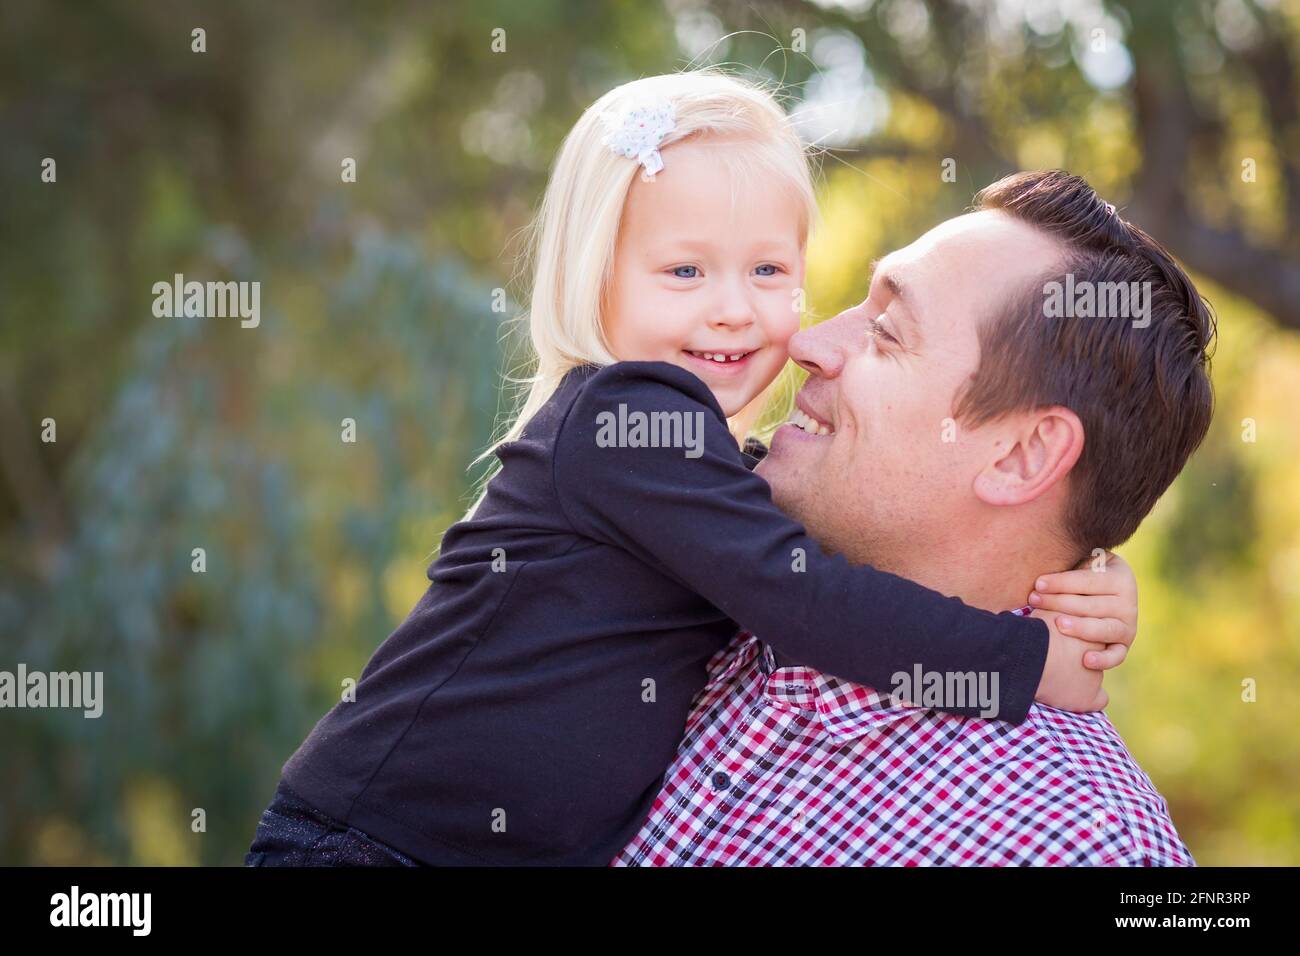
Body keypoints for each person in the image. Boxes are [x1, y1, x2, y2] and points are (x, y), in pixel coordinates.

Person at [246, 73, 1134, 868]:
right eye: (683, 270)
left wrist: (1080, 568)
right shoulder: (624, 416)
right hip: (373, 846)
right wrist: (1028, 661)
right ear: (598, 282)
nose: (735, 310)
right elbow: (808, 597)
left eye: (768, 271)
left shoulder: (692, 470)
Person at [615, 170, 1213, 866]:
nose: (806, 343)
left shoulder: (1076, 845)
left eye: (887, 333)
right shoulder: (663, 565)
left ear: (1023, 456)